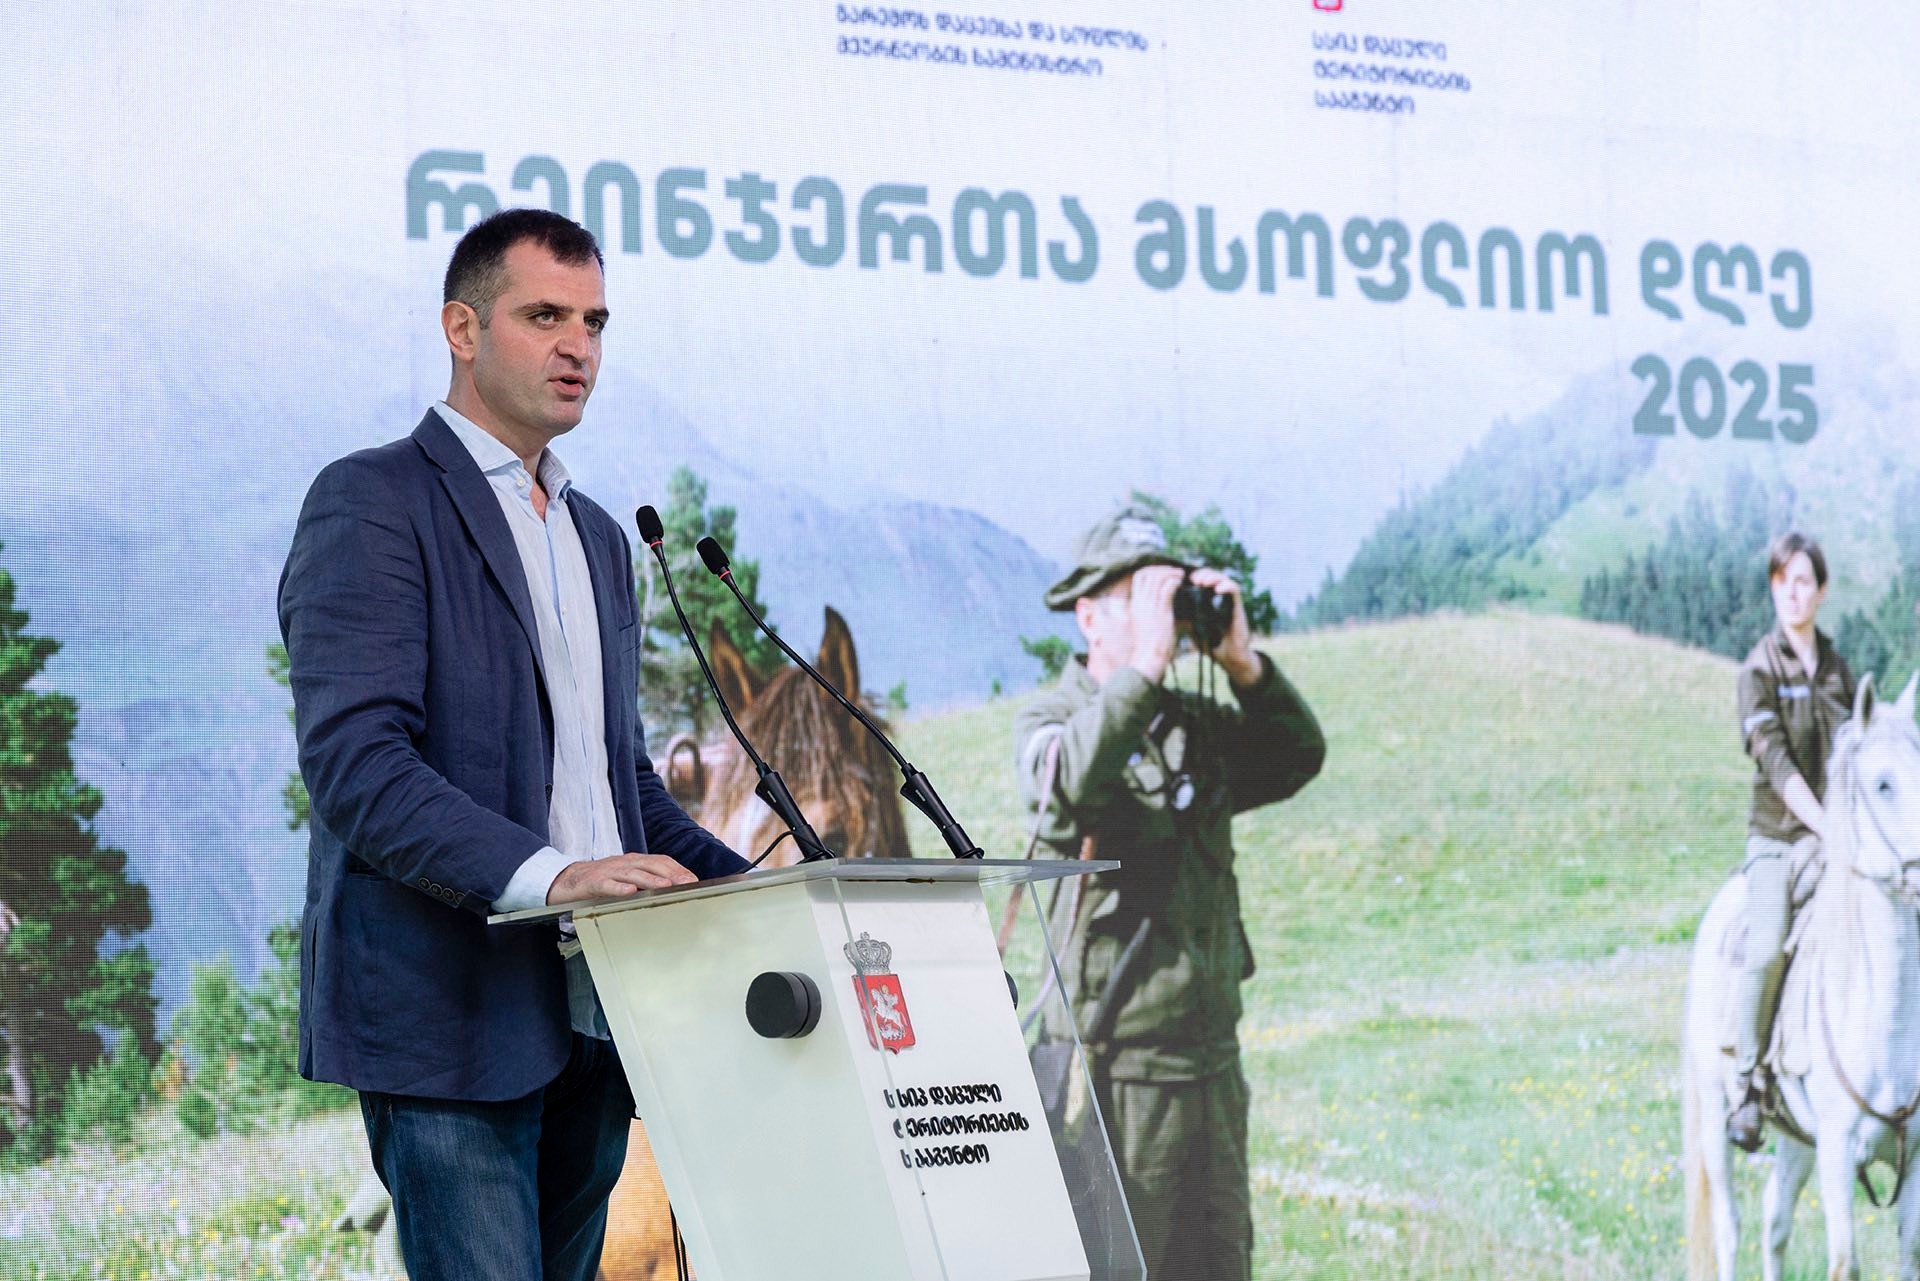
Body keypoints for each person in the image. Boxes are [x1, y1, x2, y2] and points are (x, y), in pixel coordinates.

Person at [278, 208, 751, 1281]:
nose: (578, 346)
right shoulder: (372, 501)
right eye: (545, 316)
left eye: (595, 322)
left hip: (596, 1017)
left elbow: (622, 789)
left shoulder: (599, 538)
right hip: (450, 1020)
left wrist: (778, 895)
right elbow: (360, 767)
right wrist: (558, 876)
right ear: (463, 328)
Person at [1013, 503, 1325, 1281]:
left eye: (1171, 596)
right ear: (1089, 616)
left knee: (1219, 1266)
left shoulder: (1193, 726)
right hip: (1110, 1073)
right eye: (1143, 596)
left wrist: (1243, 664)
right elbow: (1065, 792)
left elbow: (1296, 756)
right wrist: (1144, 669)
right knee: (1115, 1270)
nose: (1166, 615)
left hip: (1209, 1065)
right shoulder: (1053, 718)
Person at [1725, 531, 1855, 1151]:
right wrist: (1828, 825)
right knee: (1767, 944)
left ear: (1822, 591)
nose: (1792, 593)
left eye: (1803, 581)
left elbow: (1855, 752)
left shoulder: (1837, 668)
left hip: (1837, 838)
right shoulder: (1758, 669)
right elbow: (1776, 765)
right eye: (1782, 581)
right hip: (1778, 838)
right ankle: (1747, 1083)